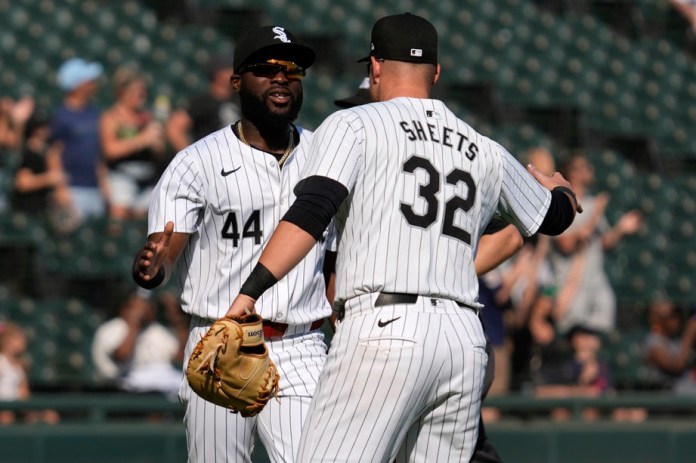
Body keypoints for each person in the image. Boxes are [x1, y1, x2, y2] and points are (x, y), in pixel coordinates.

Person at [226, 13, 581, 462]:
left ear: (374, 67)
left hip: (385, 330)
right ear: (435, 73)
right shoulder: (483, 148)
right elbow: (553, 217)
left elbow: (312, 212)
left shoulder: (354, 124)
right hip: (463, 340)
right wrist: (562, 190)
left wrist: (249, 293)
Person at [132, 26, 334, 463]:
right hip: (219, 344)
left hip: (301, 342)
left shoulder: (327, 155)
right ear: (237, 81)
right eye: (266, 68)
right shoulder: (196, 161)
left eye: (291, 69)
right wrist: (151, 265)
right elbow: (165, 253)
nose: (281, 78)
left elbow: (335, 256)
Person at [549, 152, 642, 335]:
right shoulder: (561, 202)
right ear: (573, 173)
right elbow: (568, 244)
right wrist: (596, 213)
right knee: (574, 335)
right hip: (570, 283)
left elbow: (605, 243)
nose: (590, 170)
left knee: (597, 337)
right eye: (584, 167)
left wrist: (621, 228)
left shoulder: (592, 203)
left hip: (596, 280)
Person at [92, 290, 187, 398]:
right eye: (139, 304)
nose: (144, 309)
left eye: (148, 305)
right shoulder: (112, 328)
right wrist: (134, 322)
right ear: (126, 307)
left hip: (160, 390)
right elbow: (121, 355)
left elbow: (179, 358)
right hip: (118, 389)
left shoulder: (157, 330)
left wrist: (178, 321)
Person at [100, 66, 166, 221]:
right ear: (123, 93)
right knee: (119, 215)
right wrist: (142, 140)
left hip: (147, 177)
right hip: (121, 177)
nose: (142, 96)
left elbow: (159, 151)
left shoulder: (147, 117)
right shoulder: (111, 118)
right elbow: (109, 150)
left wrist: (157, 143)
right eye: (138, 92)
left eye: (144, 92)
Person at [51, 57, 108, 225]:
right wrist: (61, 188)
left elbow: (98, 152)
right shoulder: (61, 116)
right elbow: (53, 153)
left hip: (94, 188)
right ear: (78, 85)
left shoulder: (94, 113)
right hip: (73, 189)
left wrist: (103, 182)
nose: (93, 83)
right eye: (88, 80)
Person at [165, 54, 241, 153]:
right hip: (214, 159)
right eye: (229, 70)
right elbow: (174, 128)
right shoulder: (202, 102)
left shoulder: (240, 99)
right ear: (218, 74)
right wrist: (192, 157)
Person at [0, 322, 60, 425]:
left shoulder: (21, 365)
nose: (22, 342)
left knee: (50, 415)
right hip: (3, 405)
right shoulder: (2, 362)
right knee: (6, 417)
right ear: (7, 341)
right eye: (18, 339)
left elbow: (24, 391)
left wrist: (30, 409)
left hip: (17, 404)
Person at [11, 109, 68, 217]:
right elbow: (23, 183)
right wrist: (48, 178)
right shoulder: (28, 153)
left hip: (42, 211)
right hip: (27, 211)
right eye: (42, 127)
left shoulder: (46, 152)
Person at [644, 299, 696, 395]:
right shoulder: (653, 341)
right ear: (658, 319)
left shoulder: (672, 339)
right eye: (671, 316)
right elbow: (676, 366)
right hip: (669, 394)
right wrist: (689, 335)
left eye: (677, 315)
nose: (676, 320)